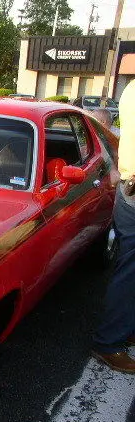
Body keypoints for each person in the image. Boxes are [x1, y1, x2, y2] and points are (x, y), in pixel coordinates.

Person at [92, 79, 135, 373]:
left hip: (129, 186)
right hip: (133, 192)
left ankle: (123, 328)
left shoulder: (131, 89)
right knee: (131, 270)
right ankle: (109, 341)